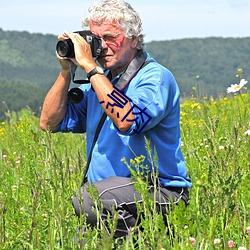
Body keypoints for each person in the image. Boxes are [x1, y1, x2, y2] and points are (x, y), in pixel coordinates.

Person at [40, 0, 192, 244]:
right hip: (110, 199)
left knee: (88, 199)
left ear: (133, 39)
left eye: (110, 37)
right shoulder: (99, 83)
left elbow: (127, 121)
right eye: (96, 39)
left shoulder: (154, 77)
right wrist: (66, 70)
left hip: (160, 192)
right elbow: (49, 123)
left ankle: (146, 241)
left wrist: (90, 67)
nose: (102, 47)